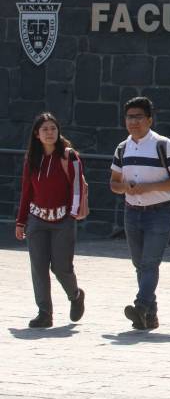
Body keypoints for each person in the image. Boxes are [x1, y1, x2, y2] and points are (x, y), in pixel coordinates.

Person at [109, 96, 170, 330]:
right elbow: (113, 183)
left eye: (138, 117)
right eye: (129, 117)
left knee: (150, 263)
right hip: (132, 212)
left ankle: (141, 306)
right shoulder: (122, 148)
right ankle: (149, 317)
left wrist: (150, 187)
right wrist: (126, 188)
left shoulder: (163, 145)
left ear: (149, 120)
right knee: (139, 264)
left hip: (159, 213)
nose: (133, 121)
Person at [15, 112, 86, 328]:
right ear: (37, 134)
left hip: (63, 220)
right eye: (44, 129)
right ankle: (44, 313)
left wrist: (72, 214)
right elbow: (26, 191)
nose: (49, 133)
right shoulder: (32, 158)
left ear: (58, 131)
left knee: (61, 267)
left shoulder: (69, 156)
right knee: (38, 266)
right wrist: (21, 221)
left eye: (53, 128)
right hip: (37, 220)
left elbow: (77, 187)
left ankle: (75, 295)